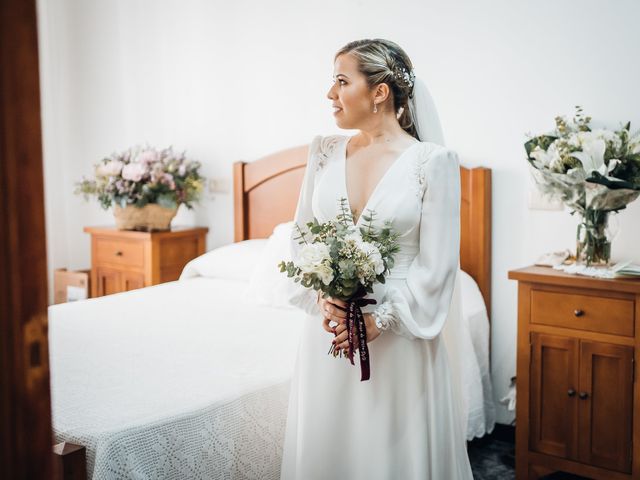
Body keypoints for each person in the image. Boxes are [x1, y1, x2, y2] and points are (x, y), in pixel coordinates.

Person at [280, 38, 474, 479]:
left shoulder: (433, 162)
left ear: (379, 92)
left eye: (342, 81)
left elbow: (438, 266)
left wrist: (381, 319)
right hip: (328, 332)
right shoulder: (324, 151)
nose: (331, 94)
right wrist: (322, 299)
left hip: (400, 337)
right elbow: (301, 236)